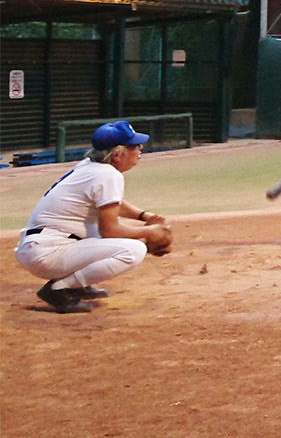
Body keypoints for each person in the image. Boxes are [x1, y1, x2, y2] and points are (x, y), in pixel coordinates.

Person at [15, 121, 173, 313]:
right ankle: (59, 289)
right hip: (48, 252)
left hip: (41, 246)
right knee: (134, 250)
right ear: (117, 154)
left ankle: (77, 284)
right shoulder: (108, 174)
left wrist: (143, 216)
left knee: (102, 226)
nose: (140, 150)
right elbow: (110, 231)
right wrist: (150, 232)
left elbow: (110, 203)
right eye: (135, 146)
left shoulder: (91, 166)